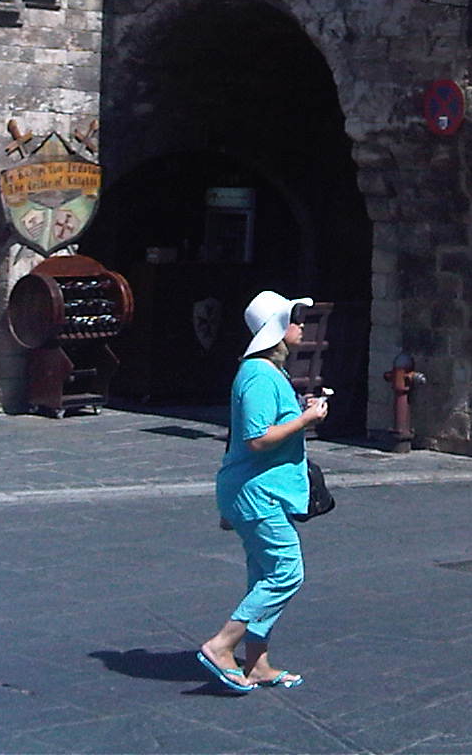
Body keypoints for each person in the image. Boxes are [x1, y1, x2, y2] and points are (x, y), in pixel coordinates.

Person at [197, 290, 329, 694]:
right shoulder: (258, 374)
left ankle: (257, 662)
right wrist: (305, 420)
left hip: (262, 490)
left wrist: (300, 410)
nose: (301, 325)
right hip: (257, 492)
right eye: (295, 318)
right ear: (277, 328)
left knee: (263, 575)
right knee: (286, 571)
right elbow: (256, 438)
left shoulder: (269, 373)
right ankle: (222, 645)